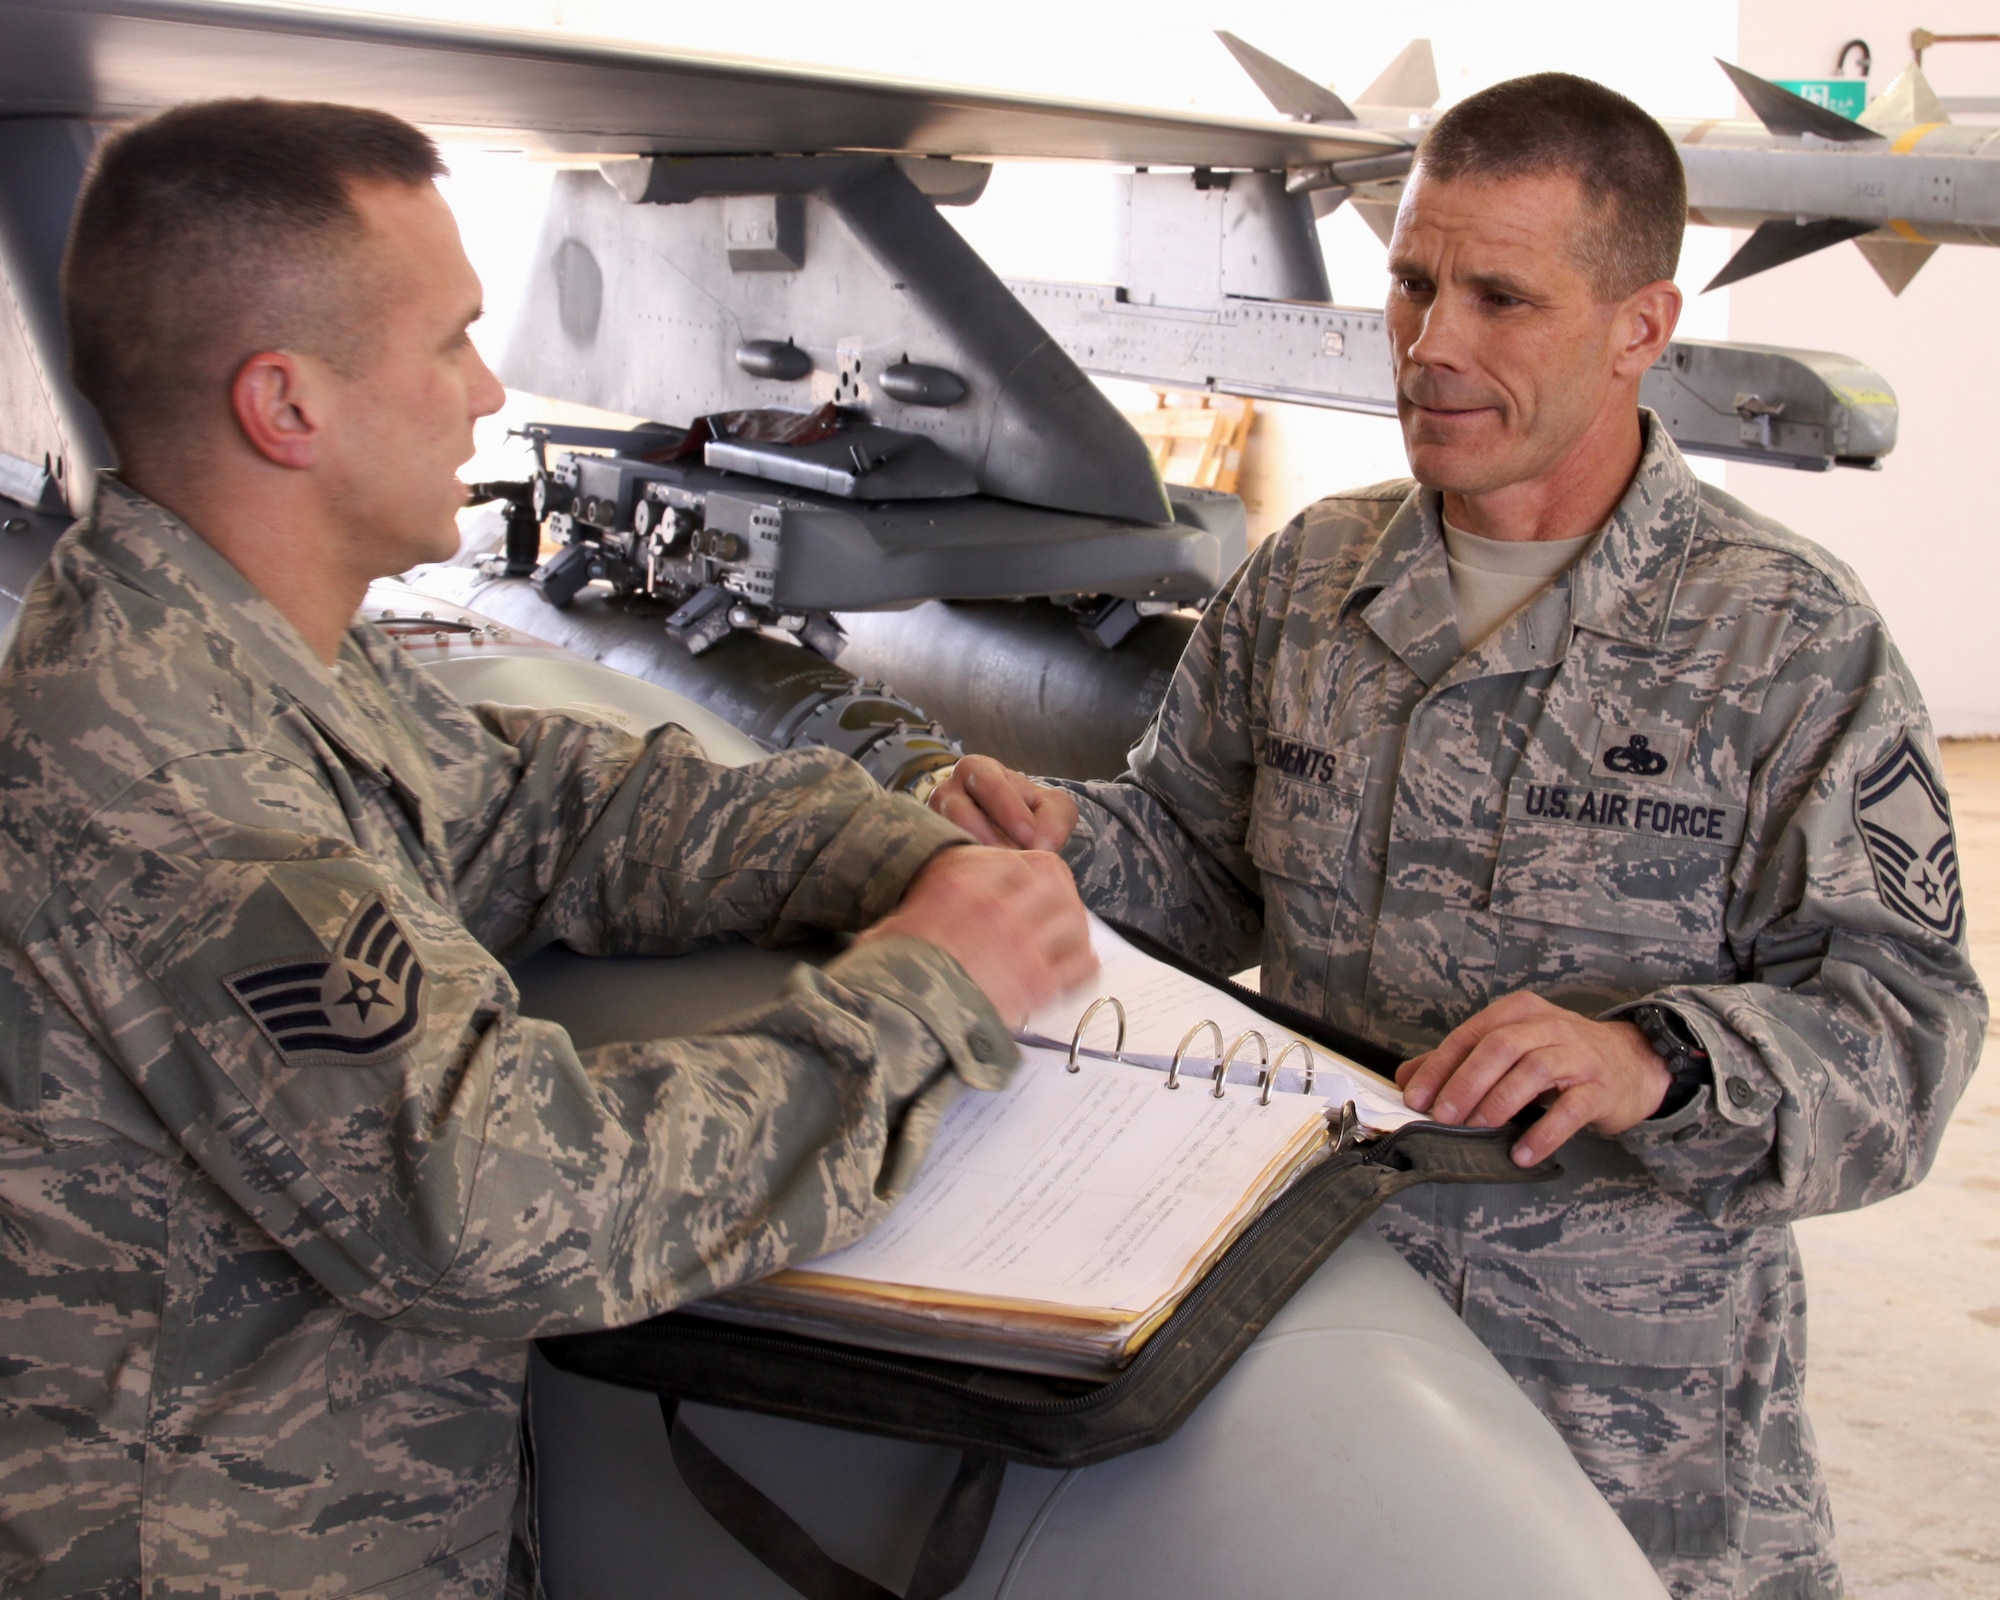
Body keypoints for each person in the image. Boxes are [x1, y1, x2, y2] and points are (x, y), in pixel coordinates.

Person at [0, 99, 1095, 1598]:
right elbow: (500, 1204)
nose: (489, 388)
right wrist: (929, 990)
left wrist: (885, 841)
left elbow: (551, 811)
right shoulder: (167, 781)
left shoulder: (263, 658)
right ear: (288, 407)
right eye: (448, 341)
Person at [931, 72, 1984, 1600]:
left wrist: (1659, 1059)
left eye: (1501, 297)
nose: (1433, 347)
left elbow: (1907, 1038)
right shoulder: (1309, 581)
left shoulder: (1787, 641)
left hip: (1629, 1448)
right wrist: (1061, 838)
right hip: (1306, 1367)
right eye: (1413, 284)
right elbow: (1195, 864)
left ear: (1641, 325)